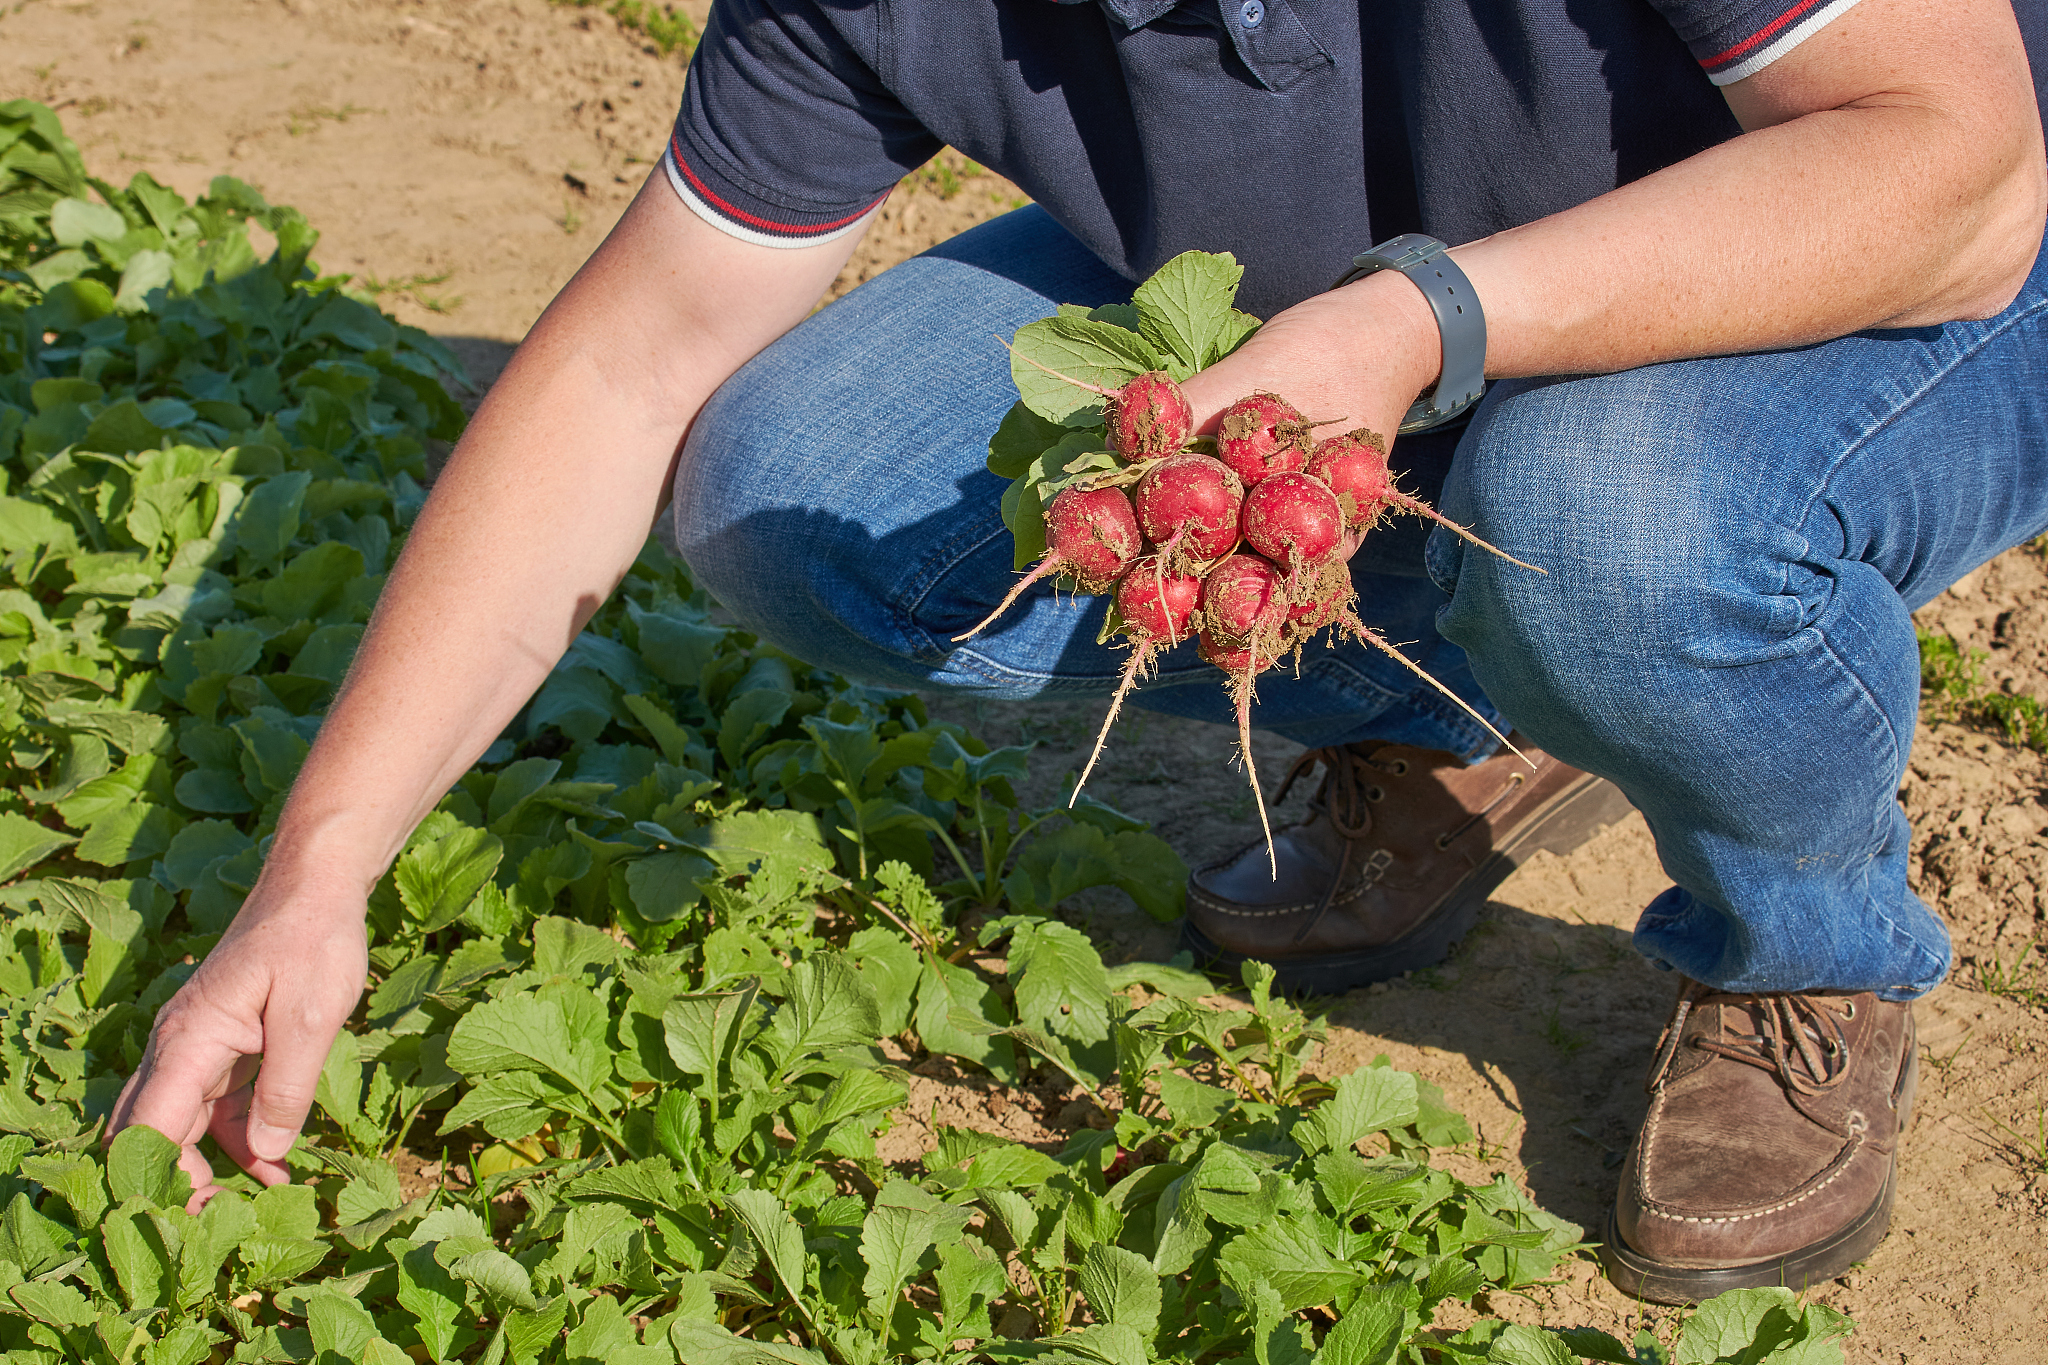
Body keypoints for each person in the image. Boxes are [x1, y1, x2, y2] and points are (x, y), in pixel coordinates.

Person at [112, 0, 2045, 1307]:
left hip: (1901, 241)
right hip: (1393, 254)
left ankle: (1807, 947)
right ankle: (1491, 703)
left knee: (1611, 524)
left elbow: (1952, 179)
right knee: (801, 497)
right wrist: (311, 881)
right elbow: (634, 361)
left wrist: (1414, 321)